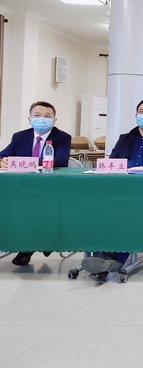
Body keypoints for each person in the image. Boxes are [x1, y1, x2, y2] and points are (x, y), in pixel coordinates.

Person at [81, 99, 143, 284]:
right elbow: (113, 161)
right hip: (121, 185)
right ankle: (103, 259)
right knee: (103, 209)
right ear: (136, 115)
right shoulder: (125, 137)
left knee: (129, 213)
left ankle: (109, 258)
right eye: (142, 111)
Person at [0, 101, 71, 266]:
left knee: (35, 205)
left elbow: (61, 160)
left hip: (49, 185)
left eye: (47, 116)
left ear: (54, 120)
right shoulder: (20, 136)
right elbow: (3, 154)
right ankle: (33, 243)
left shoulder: (62, 137)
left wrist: (25, 162)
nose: (42, 119)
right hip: (21, 185)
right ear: (29, 118)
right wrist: (3, 160)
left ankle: (29, 247)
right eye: (37, 116)